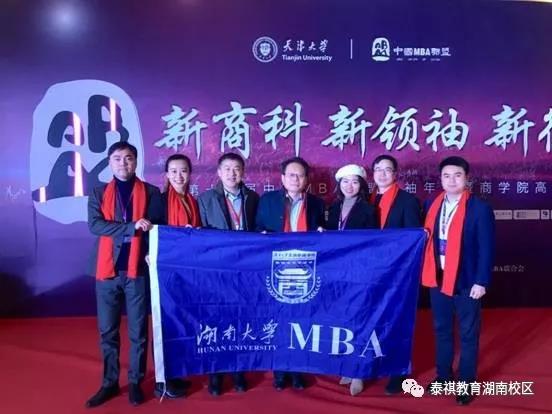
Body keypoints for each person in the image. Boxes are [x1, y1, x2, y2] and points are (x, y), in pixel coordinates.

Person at [86, 141, 162, 408]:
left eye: (128, 158)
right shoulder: (98, 192)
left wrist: (148, 241)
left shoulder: (151, 192)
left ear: (136, 161)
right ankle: (109, 383)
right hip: (106, 270)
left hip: (136, 270)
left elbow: (155, 229)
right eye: (117, 158)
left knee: (138, 331)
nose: (123, 163)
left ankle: (135, 382)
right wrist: (131, 227)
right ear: (110, 162)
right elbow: (96, 225)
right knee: (107, 331)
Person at [422, 156, 495, 406]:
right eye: (446, 176)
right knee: (442, 330)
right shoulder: (432, 204)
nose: (451, 180)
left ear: (466, 178)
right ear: (440, 179)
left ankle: (466, 383)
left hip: (467, 281)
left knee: (468, 334)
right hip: (438, 278)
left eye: (457, 175)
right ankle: (443, 377)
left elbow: (486, 249)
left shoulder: (479, 208)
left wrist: (481, 281)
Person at [256, 156, 325, 391]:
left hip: (306, 271)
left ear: (306, 179)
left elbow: (324, 234)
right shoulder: (267, 200)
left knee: (303, 321)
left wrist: (322, 232)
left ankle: (298, 371)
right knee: (278, 321)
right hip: (277, 270)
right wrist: (262, 235)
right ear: (283, 178)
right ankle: (280, 371)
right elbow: (257, 229)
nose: (296, 179)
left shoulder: (316, 204)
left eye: (300, 175)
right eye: (291, 175)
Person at [197, 152, 259, 396]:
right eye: (227, 169)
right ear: (219, 172)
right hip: (217, 268)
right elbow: (201, 234)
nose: (232, 173)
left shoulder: (253, 198)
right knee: (216, 319)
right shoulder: (205, 199)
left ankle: (238, 370)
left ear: (243, 172)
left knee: (241, 319)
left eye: (237, 169)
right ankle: (216, 373)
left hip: (245, 268)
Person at [369, 154, 422, 395]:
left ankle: (398, 372)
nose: (382, 174)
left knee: (396, 322)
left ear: (395, 173)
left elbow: (412, 239)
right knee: (373, 321)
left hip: (397, 273)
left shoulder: (407, 201)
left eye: (387, 169)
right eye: (378, 169)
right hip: (371, 272)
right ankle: (374, 364)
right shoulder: (367, 199)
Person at [326, 164, 377, 396]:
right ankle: (348, 366)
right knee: (342, 321)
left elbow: (373, 242)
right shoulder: (333, 207)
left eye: (355, 182)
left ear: (362, 185)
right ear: (339, 185)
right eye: (345, 181)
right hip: (337, 273)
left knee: (360, 321)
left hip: (360, 272)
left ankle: (359, 372)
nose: (350, 186)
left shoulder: (368, 210)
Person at [153, 153, 201, 399]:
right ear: (166, 175)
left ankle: (176, 373)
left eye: (183, 171)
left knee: (181, 321)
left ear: (190, 174)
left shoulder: (193, 201)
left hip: (186, 270)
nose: (179, 176)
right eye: (173, 171)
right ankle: (162, 382)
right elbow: (150, 232)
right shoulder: (159, 201)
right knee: (165, 323)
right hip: (165, 269)